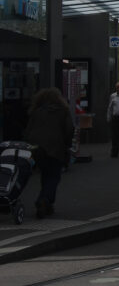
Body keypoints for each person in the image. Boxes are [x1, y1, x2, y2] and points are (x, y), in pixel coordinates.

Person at [23, 88, 75, 219]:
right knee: (54, 176)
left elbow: (28, 130)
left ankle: (47, 203)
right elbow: (69, 129)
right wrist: (67, 144)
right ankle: (44, 200)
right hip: (55, 147)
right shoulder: (63, 111)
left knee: (45, 174)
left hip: (36, 148)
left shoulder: (37, 111)